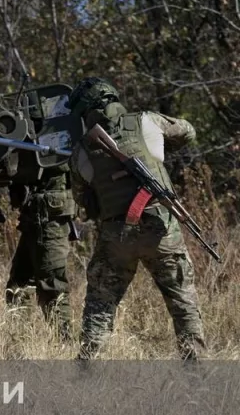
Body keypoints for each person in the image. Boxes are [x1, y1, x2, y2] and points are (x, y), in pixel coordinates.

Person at [68, 77, 205, 360]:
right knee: (182, 302)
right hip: (161, 229)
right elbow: (188, 132)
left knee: (100, 305)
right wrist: (159, 150)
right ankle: (197, 370)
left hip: (117, 234)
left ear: (85, 112)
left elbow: (85, 204)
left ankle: (86, 370)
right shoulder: (148, 121)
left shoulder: (81, 151)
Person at [4, 167, 76, 341]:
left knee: (52, 286)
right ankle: (20, 340)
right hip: (33, 218)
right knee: (18, 284)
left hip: (50, 218)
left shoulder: (61, 143)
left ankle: (65, 344)